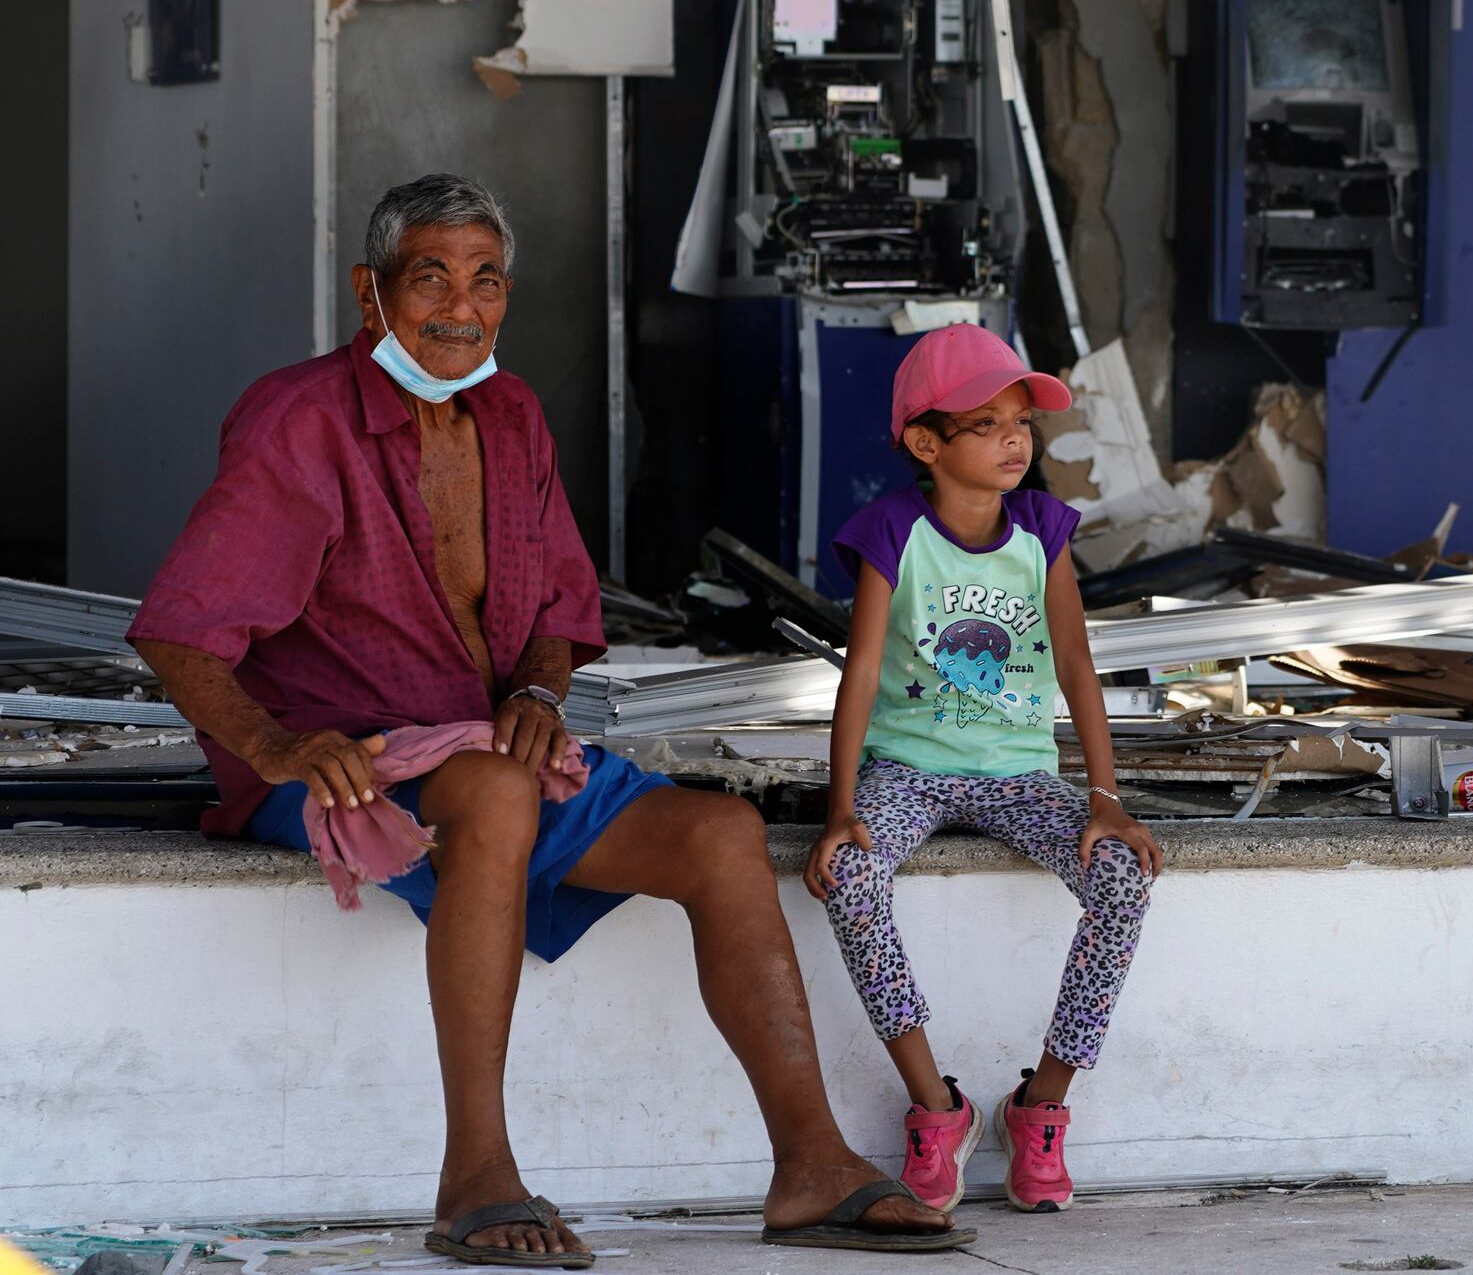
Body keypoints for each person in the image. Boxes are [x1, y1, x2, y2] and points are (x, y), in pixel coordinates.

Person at [130, 173, 973, 1264]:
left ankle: (810, 1166)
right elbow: (180, 632)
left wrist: (535, 692)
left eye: (484, 282)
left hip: (489, 751)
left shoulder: (513, 416)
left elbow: (560, 615)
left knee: (717, 835)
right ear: (369, 294)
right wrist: (278, 750)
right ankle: (475, 1178)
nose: (458, 306)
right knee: (491, 789)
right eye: (428, 276)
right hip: (337, 763)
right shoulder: (301, 419)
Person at [807, 323, 1161, 1217]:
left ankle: (1042, 1107)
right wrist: (842, 807)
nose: (1015, 438)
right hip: (908, 770)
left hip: (1018, 774)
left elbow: (1077, 662)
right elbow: (859, 673)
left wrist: (1105, 798)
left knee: (1121, 878)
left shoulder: (1042, 529)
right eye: (988, 422)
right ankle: (939, 1108)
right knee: (850, 877)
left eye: (1021, 422)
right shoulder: (895, 529)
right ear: (927, 443)